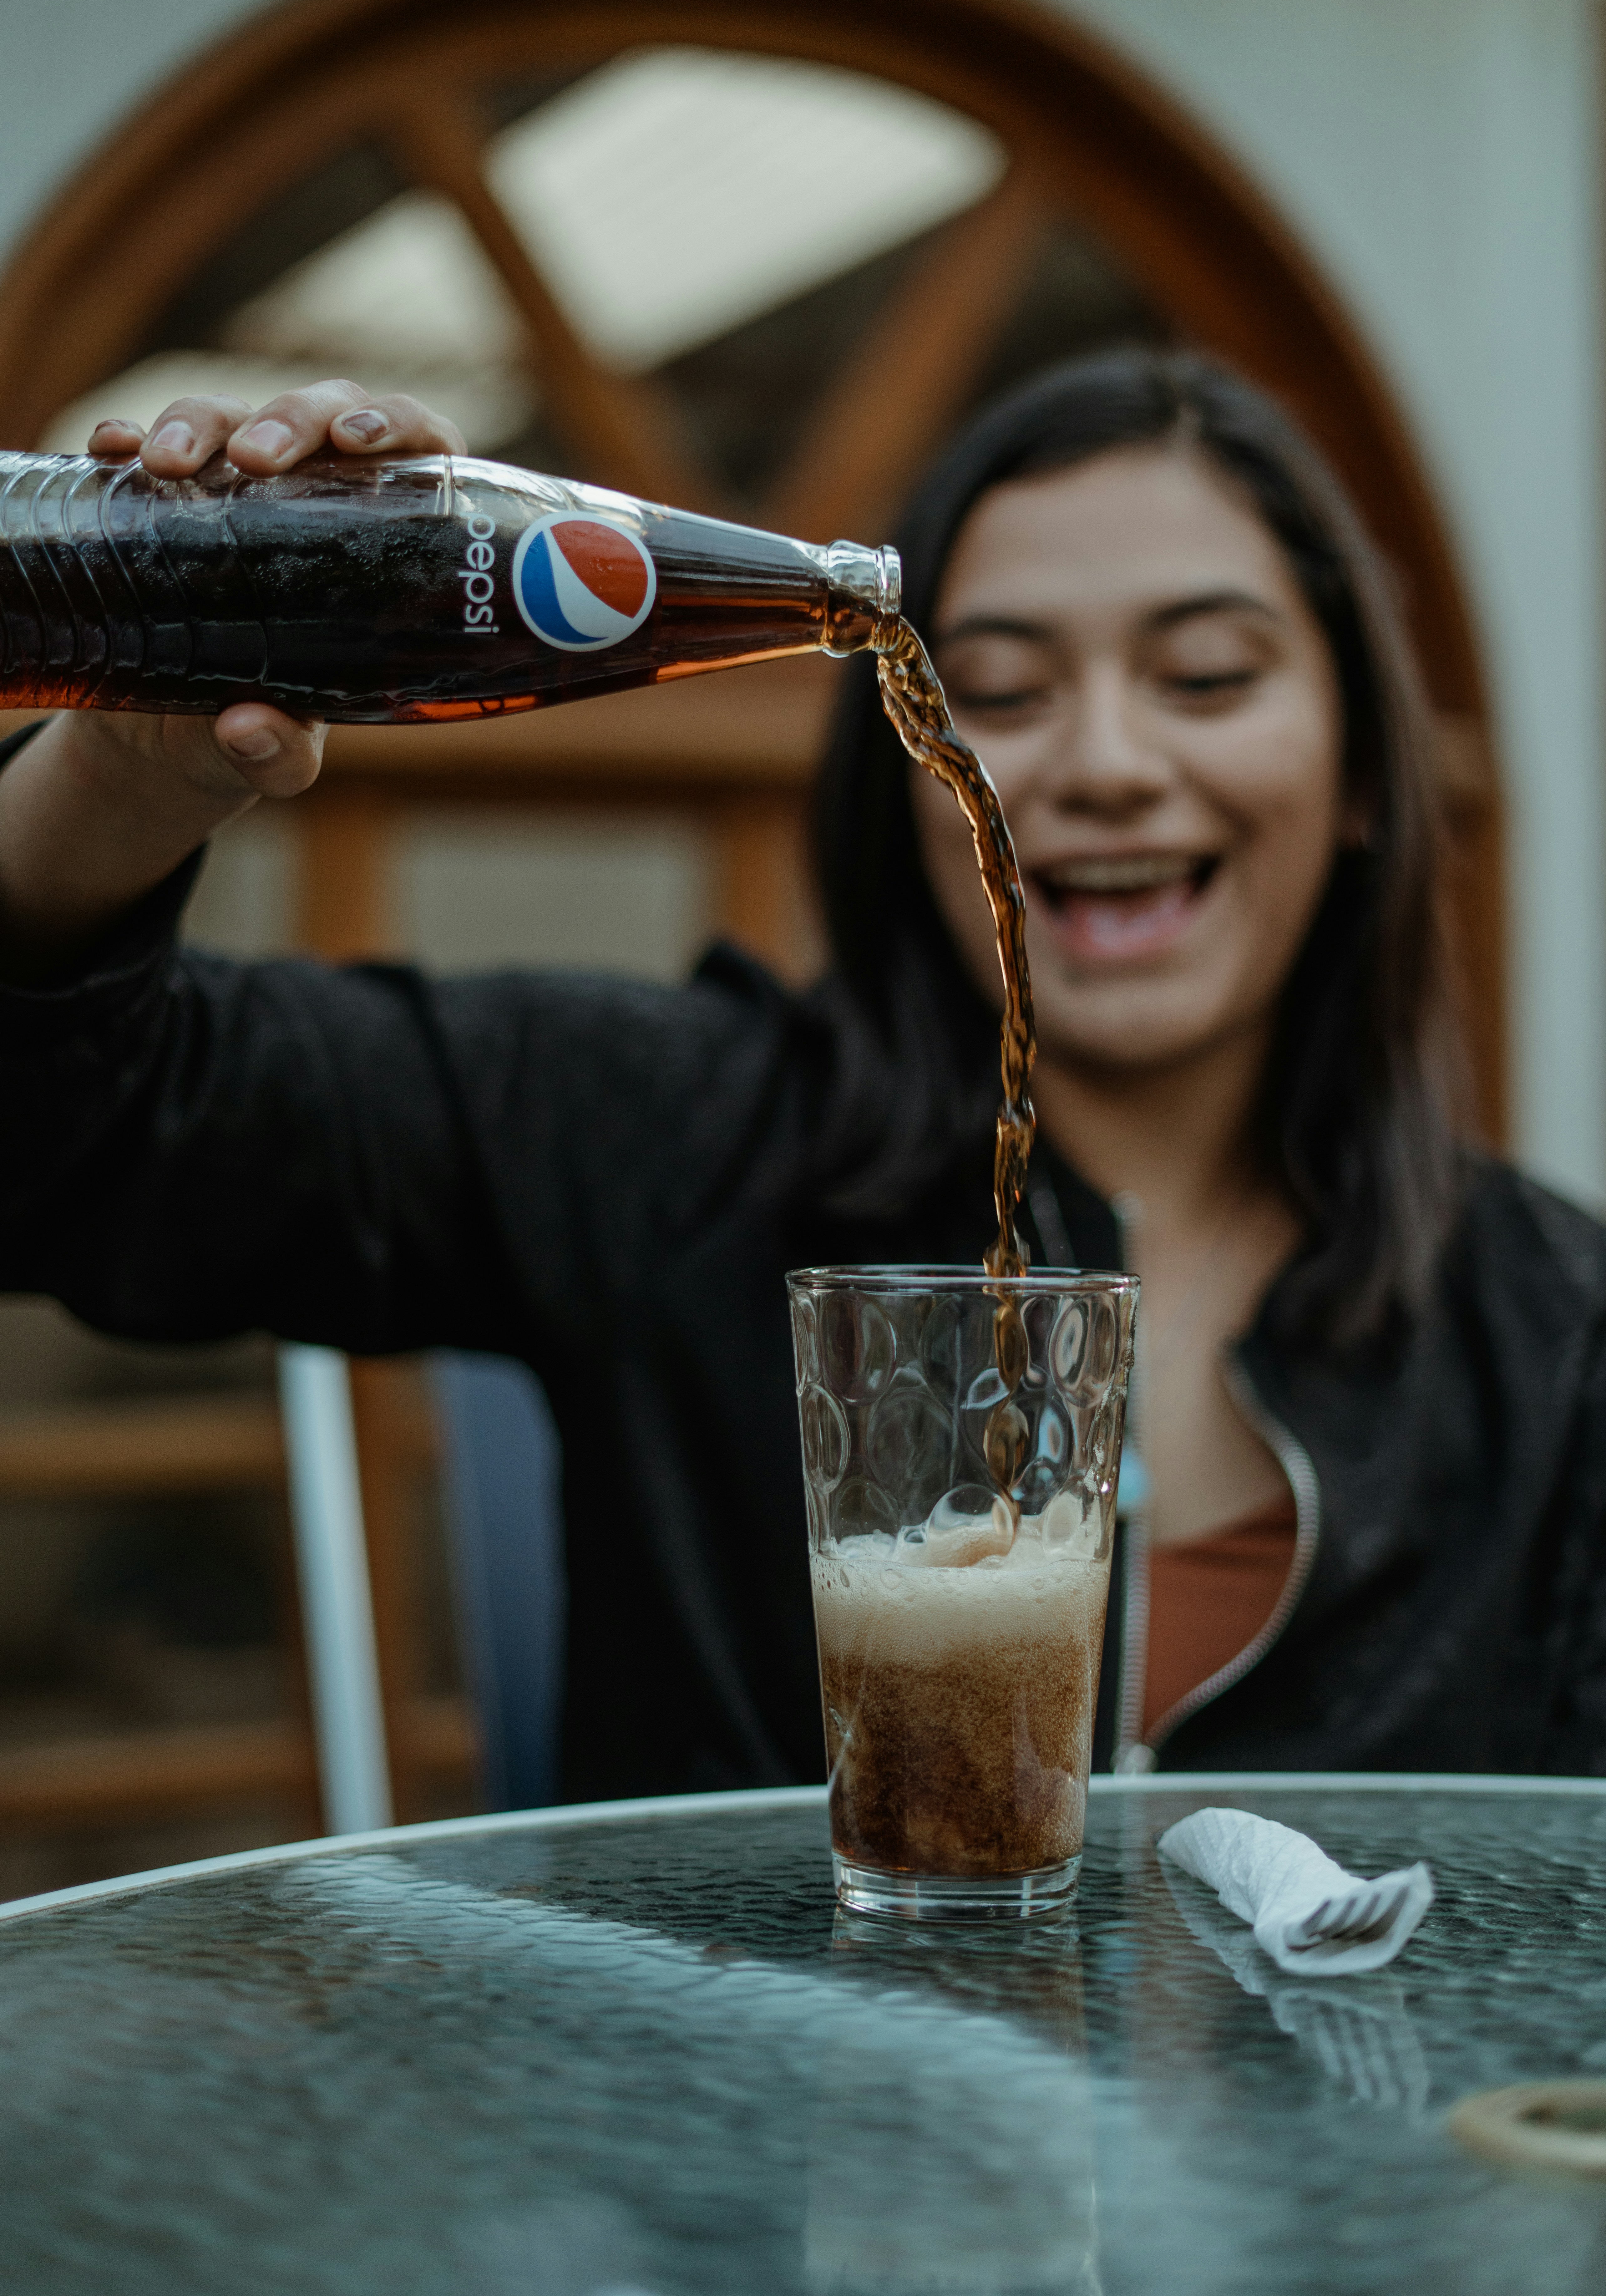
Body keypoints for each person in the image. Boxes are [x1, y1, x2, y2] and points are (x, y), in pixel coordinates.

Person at [1, 354, 1603, 1797]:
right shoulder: (670, 1133)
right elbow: (77, 1144)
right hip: (743, 2120)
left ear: (1364, 776)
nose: (1110, 763)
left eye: (1206, 676)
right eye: (1009, 684)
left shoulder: (1555, 1332)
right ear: (916, 751)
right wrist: (120, 786)